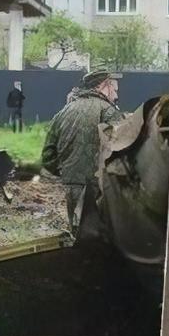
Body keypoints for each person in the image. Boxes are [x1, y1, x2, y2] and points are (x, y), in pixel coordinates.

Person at [41, 69, 124, 235]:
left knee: (78, 234)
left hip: (71, 185)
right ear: (104, 86)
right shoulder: (108, 111)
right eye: (114, 90)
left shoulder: (63, 112)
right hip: (100, 187)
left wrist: (67, 172)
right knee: (102, 236)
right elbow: (123, 148)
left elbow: (48, 156)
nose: (115, 96)